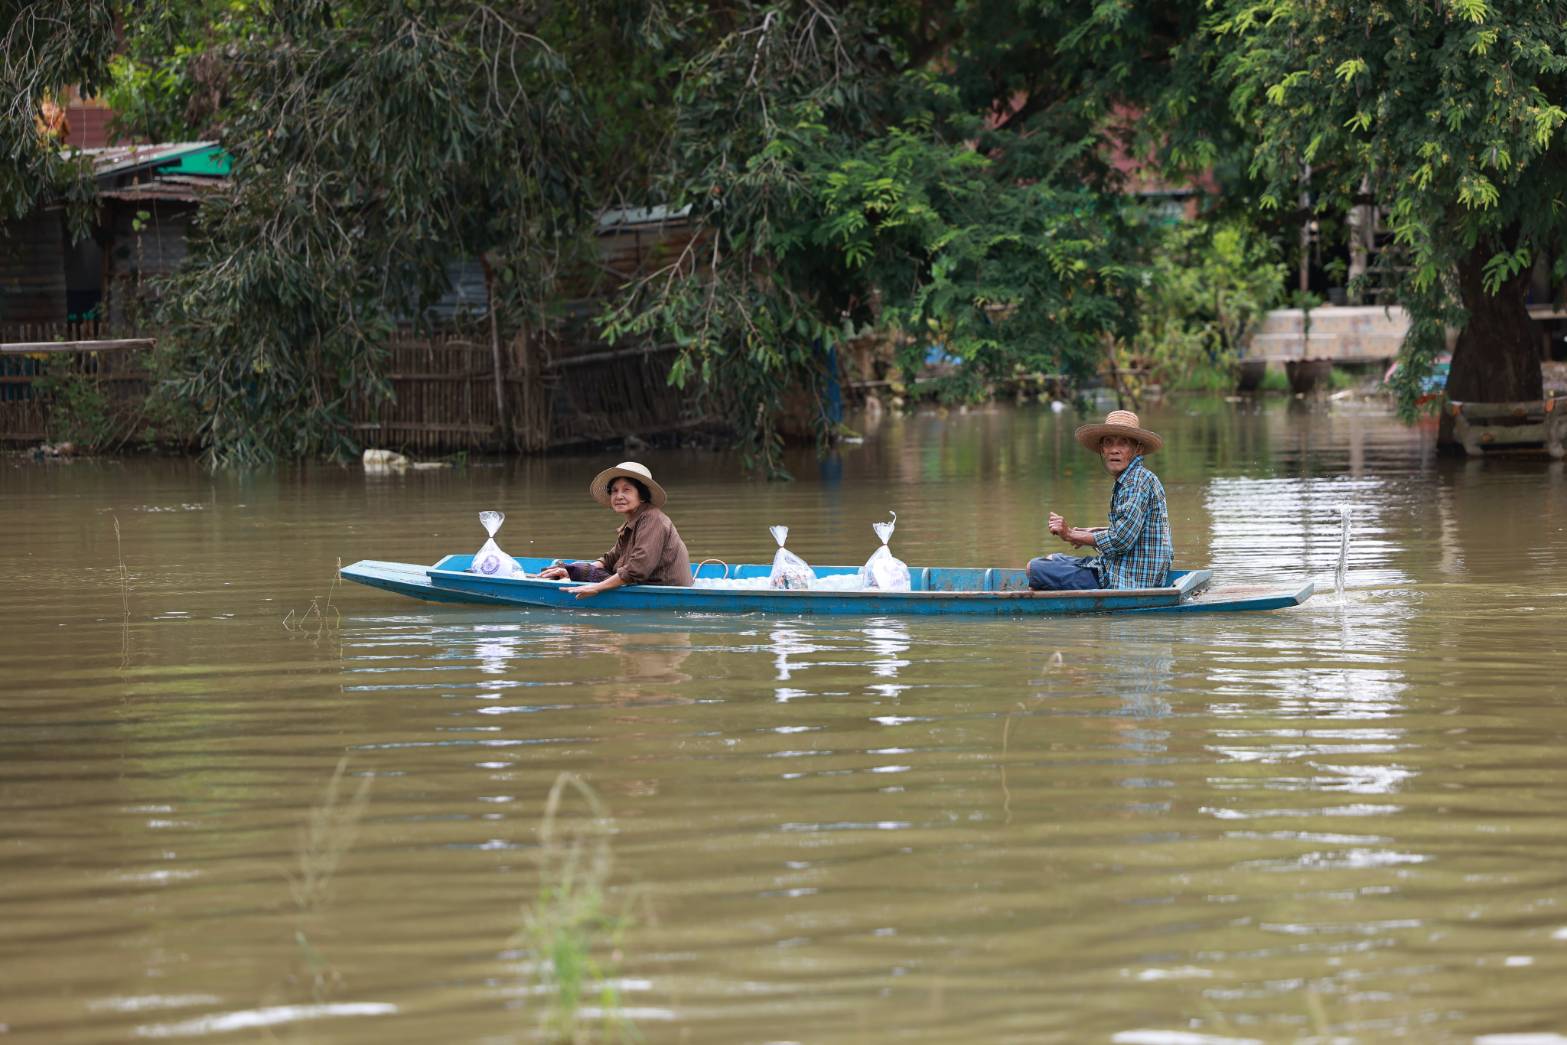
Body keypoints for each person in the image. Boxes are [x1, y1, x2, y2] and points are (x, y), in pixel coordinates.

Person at [1028, 410, 1173, 591]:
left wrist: (1070, 535)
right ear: (1102, 449)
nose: (1114, 449)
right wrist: (1087, 532)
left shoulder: (1135, 481)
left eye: (1123, 443)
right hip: (1119, 569)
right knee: (1052, 559)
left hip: (1126, 580)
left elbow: (1121, 540)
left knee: (1034, 569)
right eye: (1108, 442)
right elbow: (1132, 530)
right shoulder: (1136, 478)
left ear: (1138, 449)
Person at [537, 461, 693, 597]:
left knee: (581, 570)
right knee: (575, 568)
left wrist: (595, 587)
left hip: (662, 589)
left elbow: (637, 570)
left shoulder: (653, 519)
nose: (618, 496)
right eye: (614, 491)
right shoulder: (633, 521)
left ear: (642, 496)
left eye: (626, 490)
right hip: (644, 583)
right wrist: (571, 570)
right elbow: (610, 559)